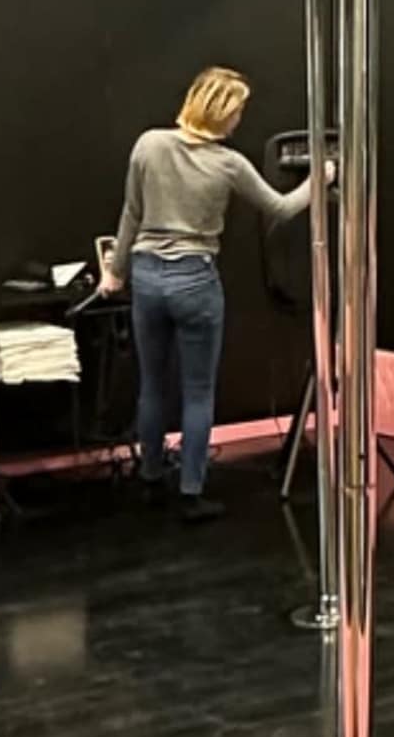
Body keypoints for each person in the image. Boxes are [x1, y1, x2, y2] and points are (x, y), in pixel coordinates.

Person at [100, 68, 316, 522]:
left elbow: (131, 214)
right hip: (195, 281)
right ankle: (192, 492)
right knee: (198, 392)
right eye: (237, 111)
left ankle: (151, 476)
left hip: (147, 276)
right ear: (222, 113)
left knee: (153, 386)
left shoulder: (148, 145)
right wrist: (321, 180)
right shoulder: (229, 164)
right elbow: (279, 208)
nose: (239, 120)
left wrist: (114, 273)